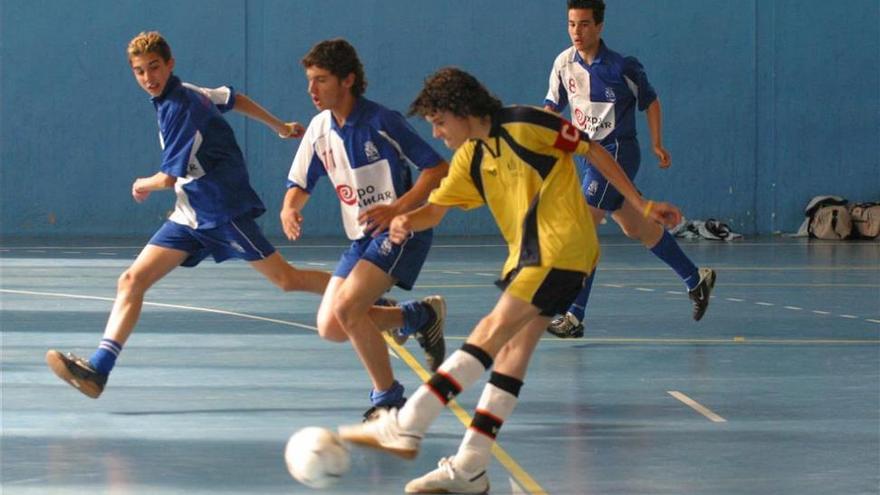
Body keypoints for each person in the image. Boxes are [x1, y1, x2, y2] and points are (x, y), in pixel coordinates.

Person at [338, 67, 683, 493]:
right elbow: (437, 209)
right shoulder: (469, 158)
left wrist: (641, 204)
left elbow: (593, 151)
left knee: (491, 330)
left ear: (463, 111)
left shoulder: (527, 123)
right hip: (528, 259)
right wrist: (407, 218)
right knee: (511, 354)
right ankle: (471, 466)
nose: (437, 132)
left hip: (563, 250)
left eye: (440, 121)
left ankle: (409, 423)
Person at [45, 31, 334, 399]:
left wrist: (141, 184)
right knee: (132, 280)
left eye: (154, 67)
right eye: (139, 71)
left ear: (170, 65)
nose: (148, 78)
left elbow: (167, 177)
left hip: (220, 208)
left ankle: (368, 300)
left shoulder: (182, 107)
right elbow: (233, 98)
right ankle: (98, 370)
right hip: (190, 211)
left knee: (287, 280)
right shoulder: (188, 92)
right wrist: (278, 126)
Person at [283, 39, 450, 417]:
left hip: (401, 231)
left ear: (348, 81)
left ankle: (387, 400)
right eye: (309, 80)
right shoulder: (319, 129)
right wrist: (289, 209)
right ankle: (417, 316)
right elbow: (299, 183)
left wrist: (398, 209)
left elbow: (437, 170)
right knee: (331, 326)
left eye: (321, 80)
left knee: (349, 309)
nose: (312, 90)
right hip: (361, 239)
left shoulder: (381, 121)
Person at [543, 0, 716, 338]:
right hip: (586, 156)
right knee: (636, 227)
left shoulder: (623, 67)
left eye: (585, 24)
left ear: (600, 27)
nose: (577, 31)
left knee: (583, 226)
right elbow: (552, 106)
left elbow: (650, 102)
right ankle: (696, 279)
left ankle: (574, 315)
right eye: (572, 24)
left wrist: (657, 143)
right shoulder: (564, 63)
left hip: (619, 152)